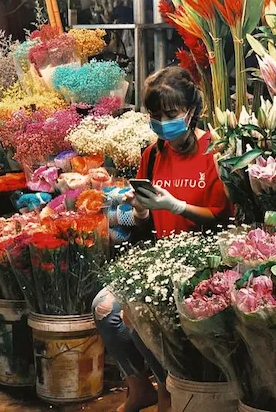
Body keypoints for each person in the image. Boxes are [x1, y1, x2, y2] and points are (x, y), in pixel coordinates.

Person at [92, 66, 233, 412]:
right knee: (104, 308)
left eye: (170, 114)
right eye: (155, 115)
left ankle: (168, 392)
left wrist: (178, 205)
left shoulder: (214, 151)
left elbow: (220, 216)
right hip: (159, 258)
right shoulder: (153, 154)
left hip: (203, 263)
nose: (162, 123)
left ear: (190, 111)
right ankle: (140, 387)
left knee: (139, 313)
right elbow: (145, 224)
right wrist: (140, 211)